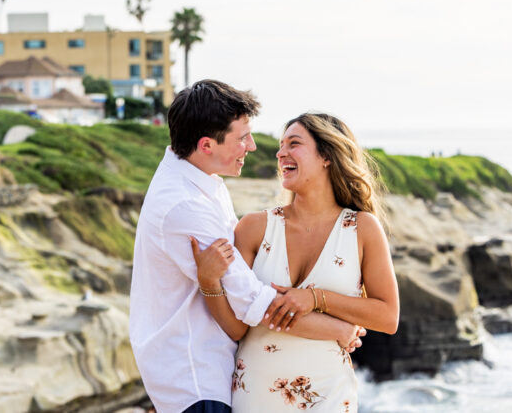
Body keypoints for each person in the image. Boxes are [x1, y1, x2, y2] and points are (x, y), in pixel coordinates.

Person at [130, 83, 366, 413]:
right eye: (242, 137)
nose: (252, 146)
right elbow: (251, 301)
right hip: (196, 379)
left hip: (215, 373)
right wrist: (338, 329)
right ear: (206, 144)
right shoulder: (185, 206)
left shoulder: (202, 184)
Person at [193, 113, 399, 411]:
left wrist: (315, 298)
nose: (281, 153)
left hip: (328, 396)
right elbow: (237, 328)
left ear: (327, 155)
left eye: (294, 143)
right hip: (257, 395)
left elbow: (387, 317)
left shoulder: (362, 229)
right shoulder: (254, 228)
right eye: (280, 145)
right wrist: (209, 282)